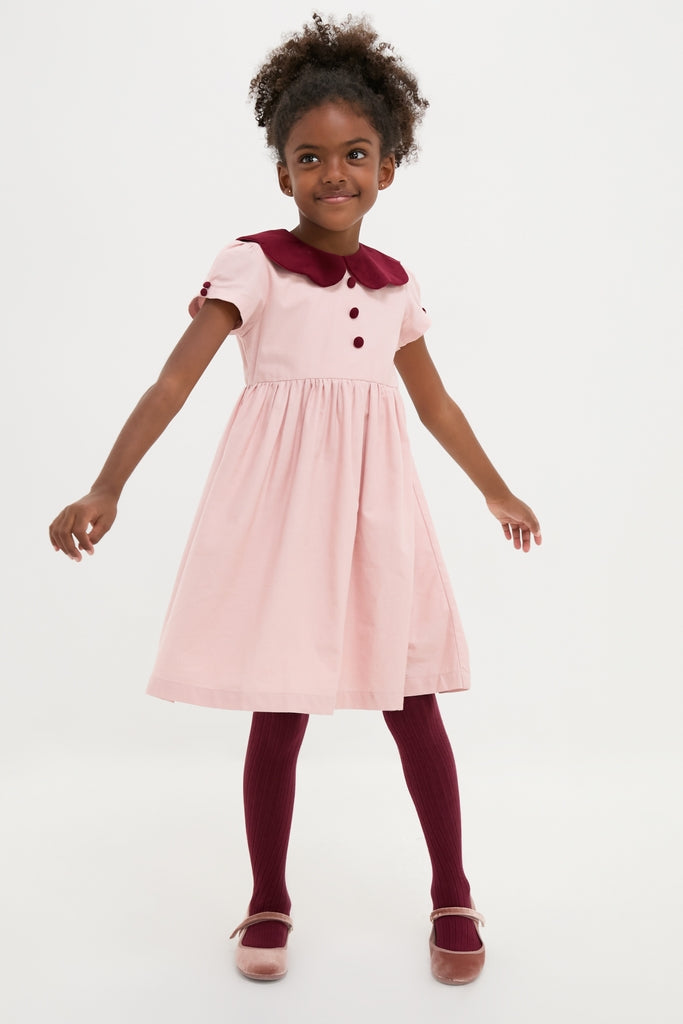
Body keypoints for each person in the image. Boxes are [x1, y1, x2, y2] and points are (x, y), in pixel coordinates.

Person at [49, 13, 541, 986]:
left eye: (354, 154)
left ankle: (451, 884)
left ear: (388, 166)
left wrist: (495, 490)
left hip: (378, 516)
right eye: (308, 157)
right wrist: (108, 482)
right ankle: (266, 897)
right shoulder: (254, 266)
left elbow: (432, 401)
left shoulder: (396, 288)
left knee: (414, 704)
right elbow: (173, 381)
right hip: (282, 522)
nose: (332, 175)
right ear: (281, 172)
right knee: (279, 711)